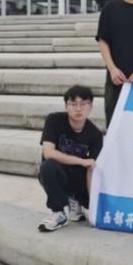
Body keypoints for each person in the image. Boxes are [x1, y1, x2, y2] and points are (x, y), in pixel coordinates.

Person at [38, 85, 103, 232]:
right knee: (47, 167)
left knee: (92, 199)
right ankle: (59, 212)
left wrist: (93, 205)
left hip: (79, 179)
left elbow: (91, 169)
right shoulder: (54, 120)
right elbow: (48, 152)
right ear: (66, 106)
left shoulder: (95, 135)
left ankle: (76, 199)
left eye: (84, 104)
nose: (78, 109)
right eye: (73, 104)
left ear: (91, 106)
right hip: (58, 173)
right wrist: (81, 161)